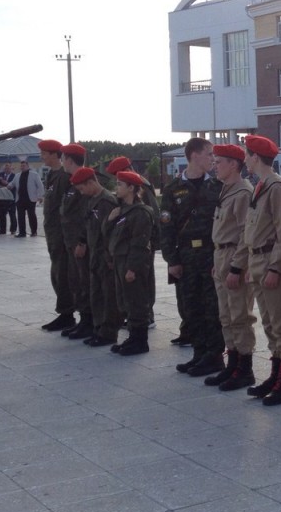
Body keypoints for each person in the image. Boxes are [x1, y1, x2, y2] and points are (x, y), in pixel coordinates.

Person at [241, 136, 281, 407]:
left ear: (256, 157)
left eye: (247, 155)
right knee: (269, 323)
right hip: (258, 261)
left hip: (271, 262)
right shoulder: (261, 186)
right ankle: (276, 376)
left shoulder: (277, 188)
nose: (245, 160)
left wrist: (276, 267)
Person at [160, 138, 225, 376]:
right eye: (209, 154)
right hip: (186, 256)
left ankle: (214, 356)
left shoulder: (218, 186)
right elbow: (166, 227)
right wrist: (172, 260)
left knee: (212, 308)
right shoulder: (173, 189)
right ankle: (199, 353)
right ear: (194, 155)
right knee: (191, 307)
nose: (213, 159)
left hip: (211, 254)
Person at [205, 144, 258, 392]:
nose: (214, 166)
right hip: (221, 255)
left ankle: (245, 369)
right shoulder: (226, 190)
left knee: (239, 316)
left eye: (219, 162)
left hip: (234, 256)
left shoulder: (243, 193)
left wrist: (237, 267)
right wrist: (218, 264)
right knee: (226, 316)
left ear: (234, 165)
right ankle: (233, 364)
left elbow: (246, 234)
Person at [107, 171, 157, 356]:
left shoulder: (141, 212)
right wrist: (110, 220)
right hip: (120, 261)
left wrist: (132, 268)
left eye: (120, 184)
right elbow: (109, 235)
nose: (117, 188)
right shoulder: (122, 210)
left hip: (132, 263)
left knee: (136, 302)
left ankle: (140, 341)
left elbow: (139, 243)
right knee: (126, 302)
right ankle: (132, 338)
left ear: (131, 188)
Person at [71, 167, 121, 347]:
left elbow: (111, 232)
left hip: (105, 255)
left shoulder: (106, 201)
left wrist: (109, 257)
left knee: (108, 295)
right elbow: (88, 226)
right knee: (96, 293)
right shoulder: (92, 200)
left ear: (91, 182)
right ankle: (98, 328)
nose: (81, 192)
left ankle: (108, 332)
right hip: (94, 253)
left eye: (82, 188)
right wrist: (82, 242)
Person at [38, 140, 74, 330]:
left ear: (54, 155)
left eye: (44, 153)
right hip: (52, 234)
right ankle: (65, 312)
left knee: (62, 274)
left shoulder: (63, 177)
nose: (42, 157)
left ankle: (67, 314)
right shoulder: (52, 176)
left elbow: (66, 210)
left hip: (61, 235)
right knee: (57, 274)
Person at [59, 144, 94, 340]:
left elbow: (85, 216)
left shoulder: (83, 182)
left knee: (84, 281)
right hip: (71, 241)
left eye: (63, 159)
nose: (62, 162)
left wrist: (82, 241)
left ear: (70, 160)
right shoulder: (72, 182)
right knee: (75, 281)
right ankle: (83, 319)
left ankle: (89, 321)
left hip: (81, 243)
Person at [15, 159, 42, 238]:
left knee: (31, 215)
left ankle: (34, 232)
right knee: (20, 216)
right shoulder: (17, 175)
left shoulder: (34, 174)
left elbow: (40, 186)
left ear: (27, 166)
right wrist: (8, 185)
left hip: (30, 199)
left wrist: (40, 196)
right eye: (21, 166)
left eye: (24, 166)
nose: (22, 167)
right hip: (20, 199)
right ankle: (22, 232)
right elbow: (12, 184)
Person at [0, 162, 16, 235]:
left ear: (11, 168)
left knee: (12, 214)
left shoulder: (14, 176)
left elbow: (14, 185)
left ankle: (13, 229)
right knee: (1, 214)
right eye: (5, 168)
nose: (7, 169)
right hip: (1, 198)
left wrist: (6, 183)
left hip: (11, 198)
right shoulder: (0, 174)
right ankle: (2, 230)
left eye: (8, 168)